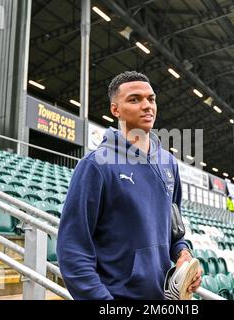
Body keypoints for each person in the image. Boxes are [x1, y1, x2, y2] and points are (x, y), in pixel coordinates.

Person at [56, 71, 202, 300]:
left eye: (151, 99)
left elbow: (175, 232)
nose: (147, 106)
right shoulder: (95, 165)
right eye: (135, 99)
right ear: (115, 109)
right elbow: (73, 251)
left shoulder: (168, 163)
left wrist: (184, 254)